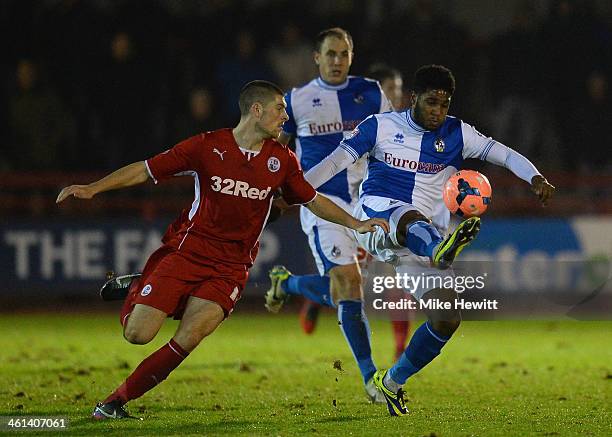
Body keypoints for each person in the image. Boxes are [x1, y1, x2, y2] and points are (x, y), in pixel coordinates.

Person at [56, 80, 388, 420]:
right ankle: (142, 285)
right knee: (137, 334)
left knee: (191, 335)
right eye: (279, 109)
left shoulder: (283, 160)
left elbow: (312, 200)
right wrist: (93, 189)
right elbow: (146, 169)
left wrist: (356, 223)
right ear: (256, 110)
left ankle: (115, 402)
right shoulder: (207, 146)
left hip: (231, 267)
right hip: (187, 253)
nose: (285, 117)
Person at [302, 65, 555, 416]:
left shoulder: (457, 132)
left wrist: (536, 177)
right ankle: (439, 248)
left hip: (420, 247)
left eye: (444, 104)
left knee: (447, 316)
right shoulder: (380, 126)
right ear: (413, 98)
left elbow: (504, 153)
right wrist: (295, 187)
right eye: (432, 102)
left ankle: (389, 383)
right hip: (380, 220)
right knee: (407, 218)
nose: (438, 110)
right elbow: (335, 162)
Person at [262, 27, 393, 403]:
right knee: (349, 285)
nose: (337, 61)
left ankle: (286, 284)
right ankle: (372, 379)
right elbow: (277, 149)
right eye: (330, 54)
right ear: (316, 58)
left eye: (343, 54)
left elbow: (393, 139)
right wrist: (272, 192)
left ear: (351, 57)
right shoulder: (297, 100)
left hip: (369, 203)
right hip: (321, 204)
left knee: (345, 292)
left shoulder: (371, 92)